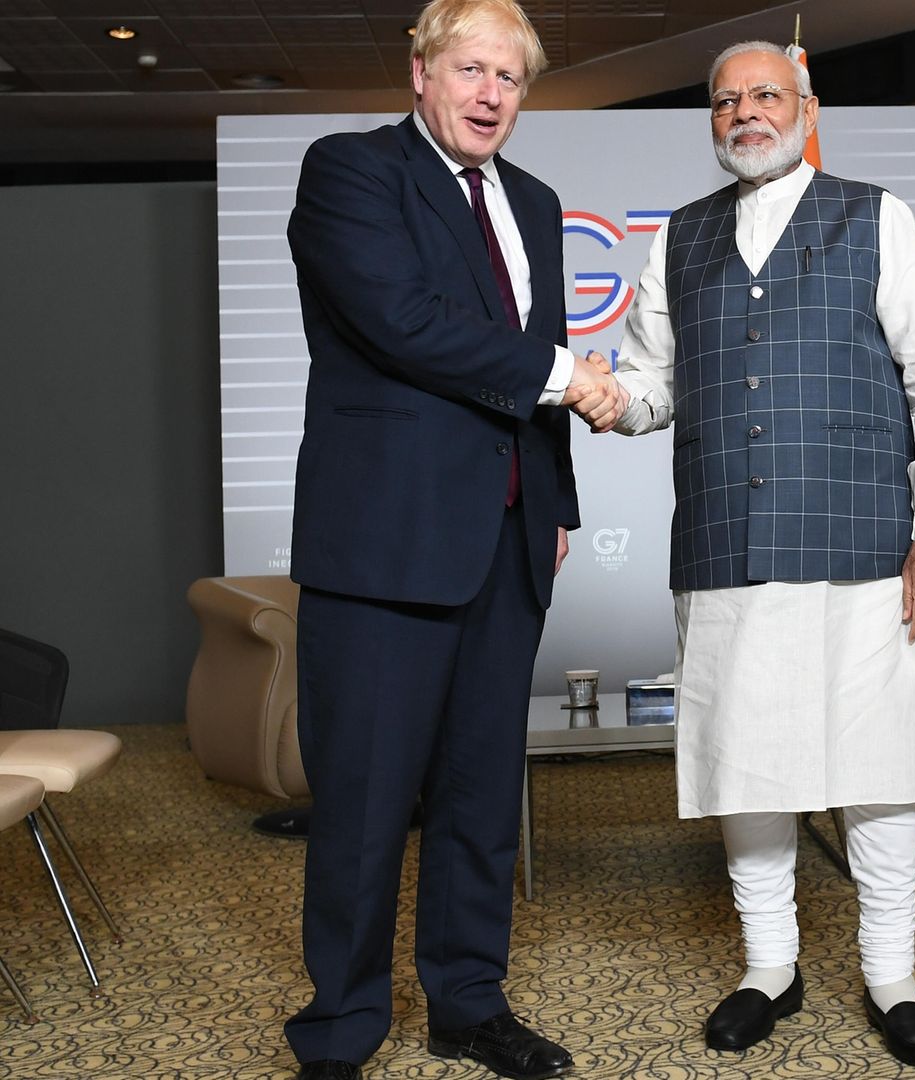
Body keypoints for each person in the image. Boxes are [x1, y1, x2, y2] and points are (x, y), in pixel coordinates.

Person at [603, 39, 915, 1069]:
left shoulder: (876, 216)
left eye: (765, 95)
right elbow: (655, 386)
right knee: (748, 765)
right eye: (726, 101)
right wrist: (610, 399)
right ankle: (770, 965)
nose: (744, 113)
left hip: (866, 543)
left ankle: (892, 975)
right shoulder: (678, 237)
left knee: (880, 768)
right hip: (727, 543)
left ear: (806, 107)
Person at [281, 1, 625, 1077]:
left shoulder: (531, 198)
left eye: (510, 79)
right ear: (422, 71)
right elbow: (404, 320)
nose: (489, 95)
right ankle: (339, 1029)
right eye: (470, 69)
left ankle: (469, 1003)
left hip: (508, 538)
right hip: (385, 544)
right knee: (368, 802)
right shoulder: (350, 170)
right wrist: (575, 380)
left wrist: (554, 504)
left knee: (482, 800)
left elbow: (526, 357)